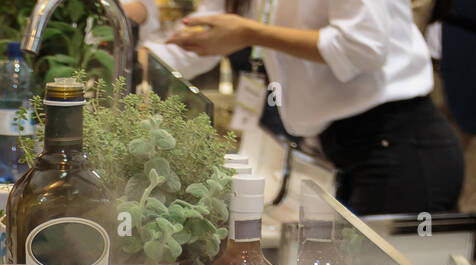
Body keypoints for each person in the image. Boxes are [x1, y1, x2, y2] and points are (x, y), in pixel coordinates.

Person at [152, 0, 463, 215]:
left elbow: (364, 47)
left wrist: (250, 33)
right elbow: (208, 32)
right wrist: (139, 57)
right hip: (345, 149)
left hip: (402, 145)